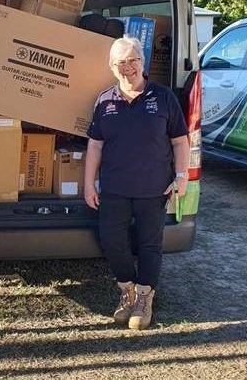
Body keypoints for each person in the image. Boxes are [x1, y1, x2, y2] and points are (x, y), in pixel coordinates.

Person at [84, 36, 189, 330]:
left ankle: (144, 298)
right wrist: (88, 184)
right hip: (114, 188)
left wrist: (182, 177)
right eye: (121, 62)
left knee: (149, 244)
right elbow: (95, 146)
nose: (128, 67)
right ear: (111, 66)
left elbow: (180, 141)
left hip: (154, 188)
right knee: (111, 240)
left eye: (133, 60)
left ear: (143, 63)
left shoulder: (164, 97)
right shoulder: (105, 100)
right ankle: (127, 290)